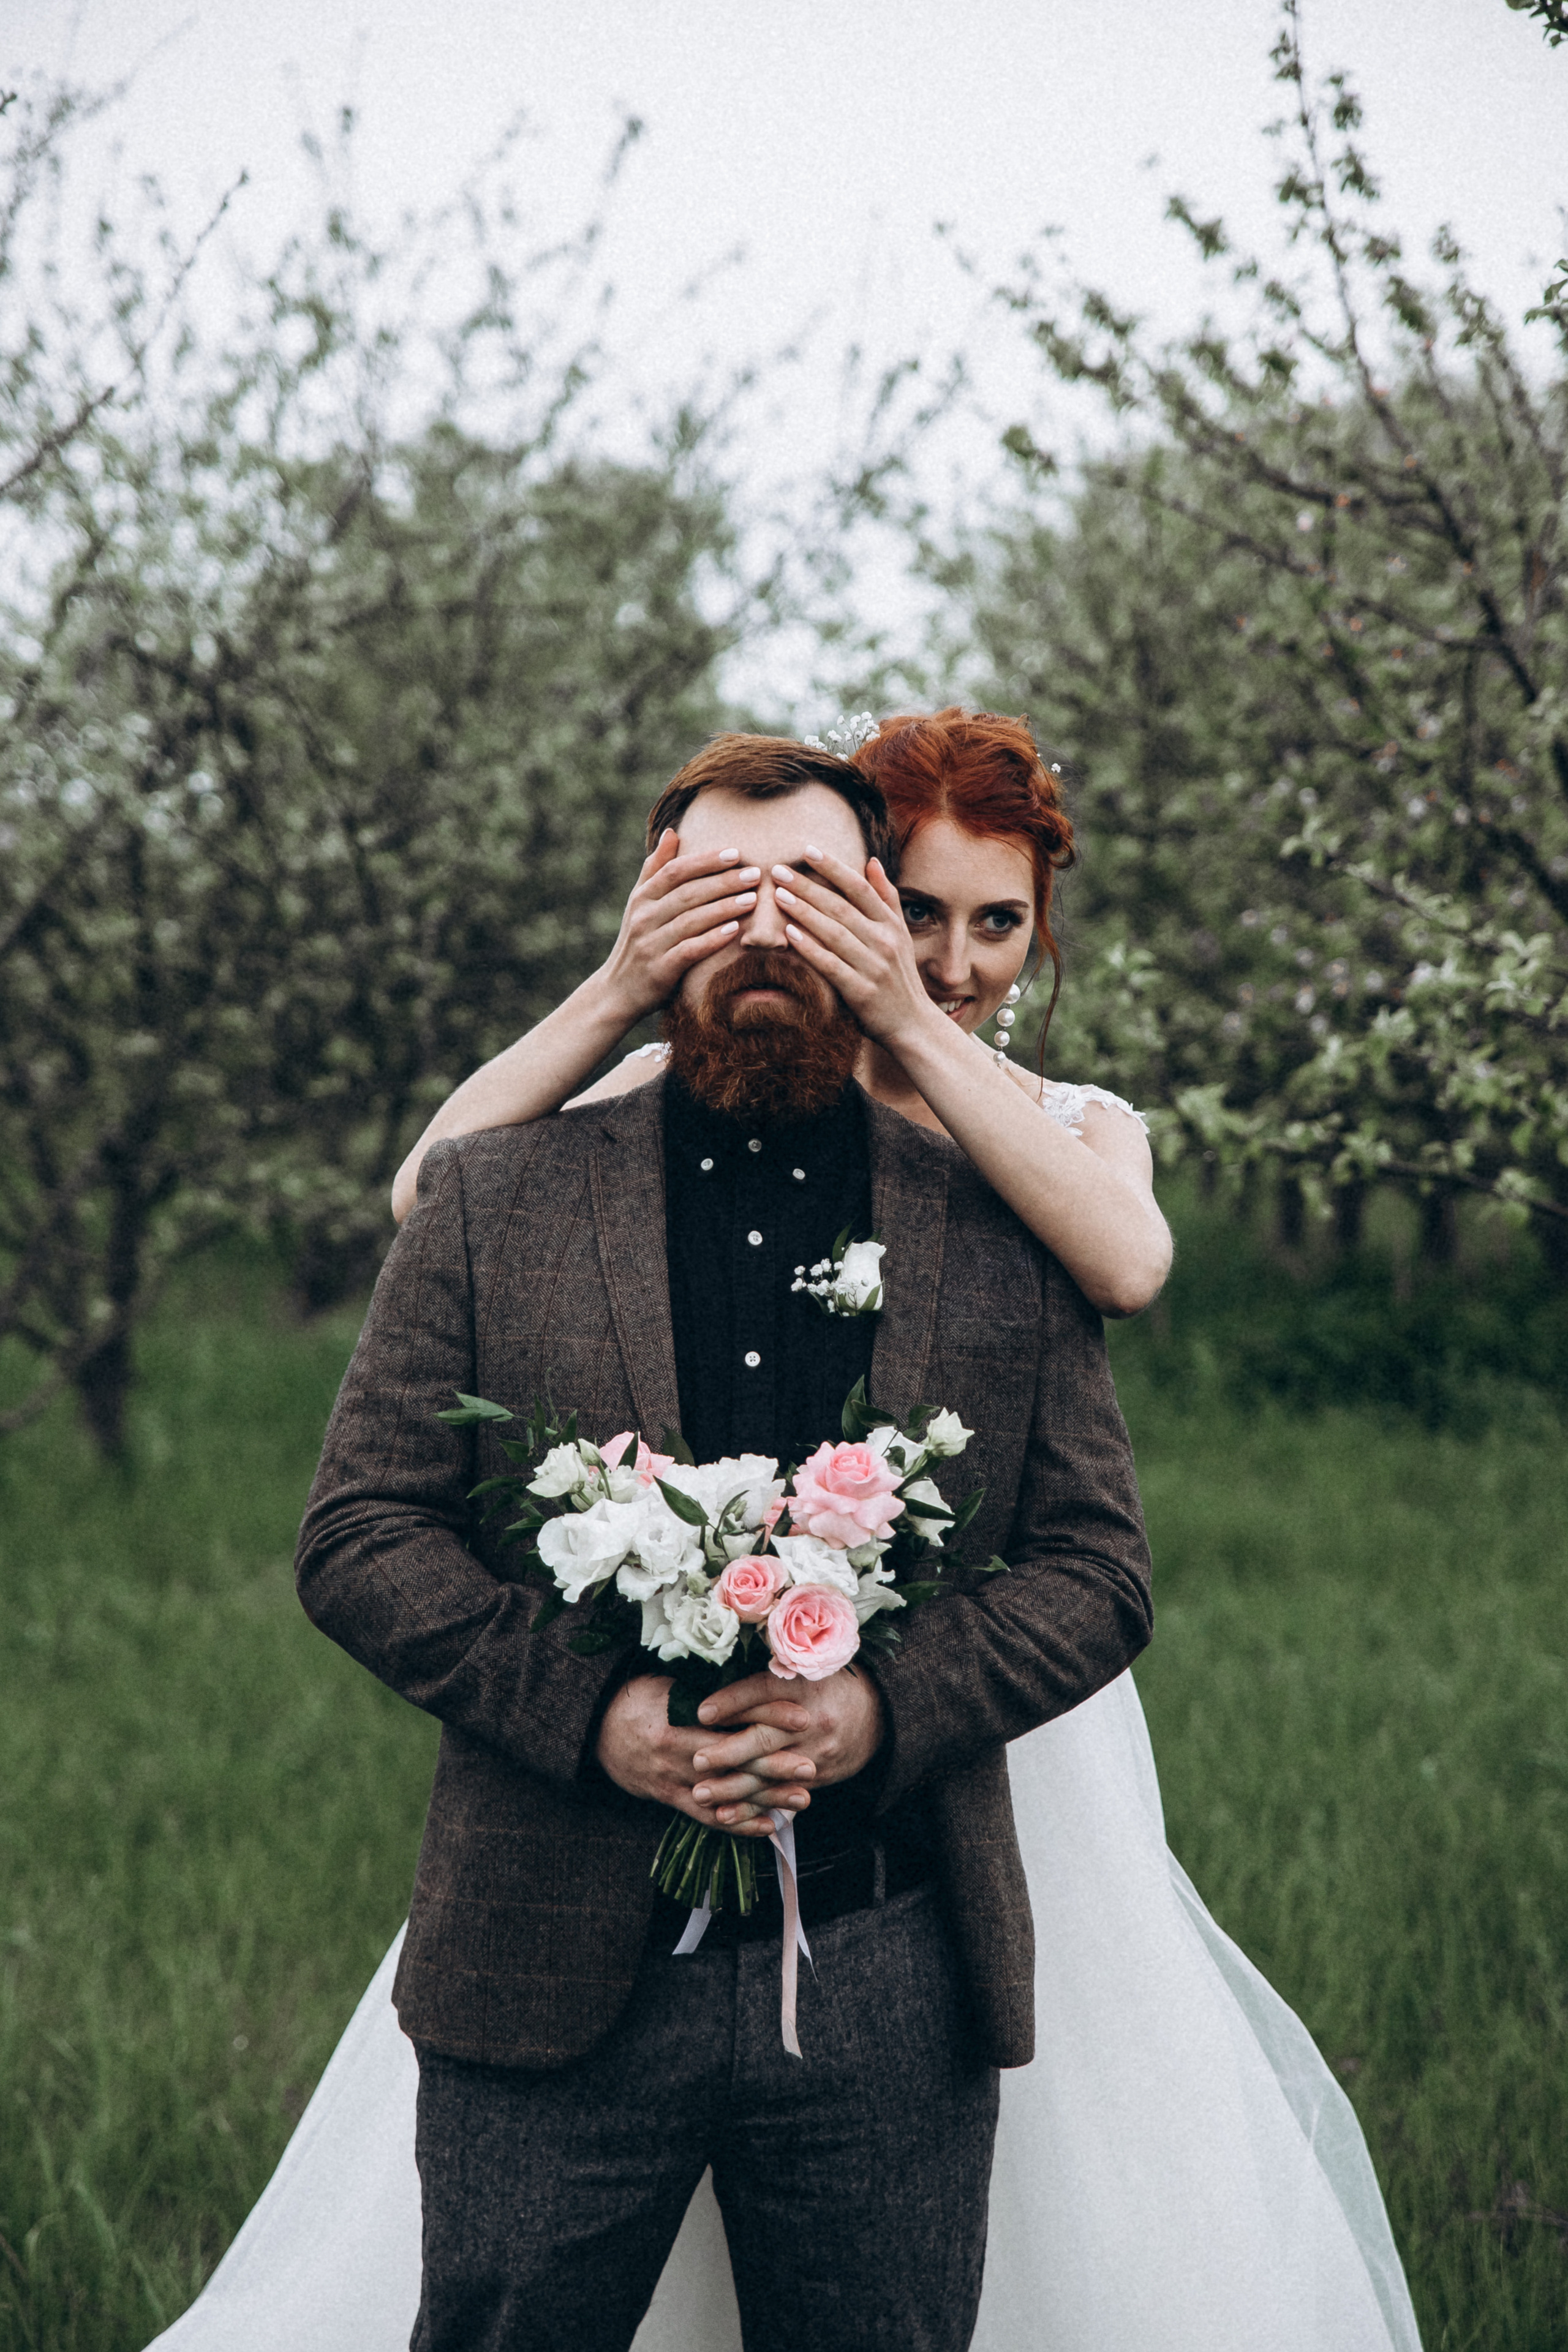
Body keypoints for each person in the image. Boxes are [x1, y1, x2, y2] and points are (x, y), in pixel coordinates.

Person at [146, 714, 1424, 2352]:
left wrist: (876, 1703)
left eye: (994, 924)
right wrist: (622, 981)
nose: (957, 962)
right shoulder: (606, 1133)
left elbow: (1126, 1280)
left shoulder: (1027, 1147)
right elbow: (440, 1200)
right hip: (585, 1877)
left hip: (955, 1795)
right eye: (921, 912)